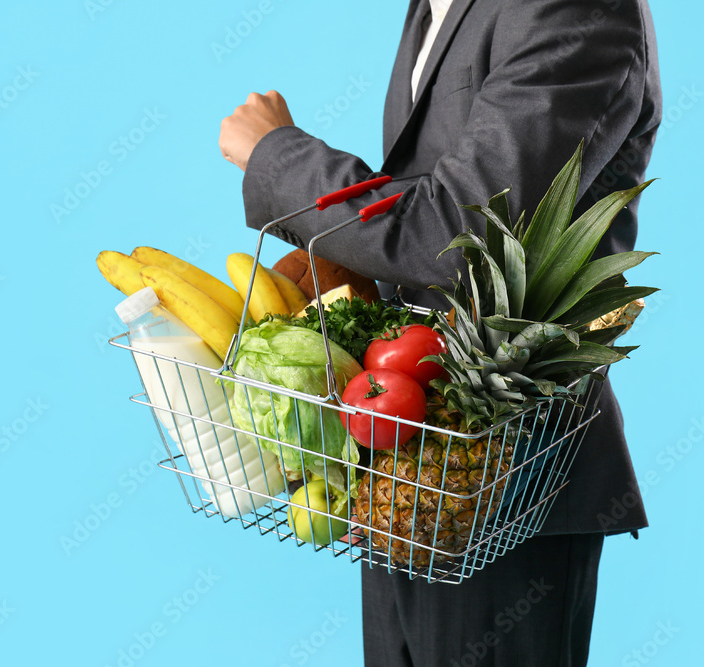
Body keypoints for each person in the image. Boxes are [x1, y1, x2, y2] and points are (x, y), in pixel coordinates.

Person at [219, 1, 661, 664]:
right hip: (405, 447)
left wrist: (277, 157)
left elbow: (457, 229)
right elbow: (428, 198)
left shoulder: (573, 9)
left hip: (514, 473)